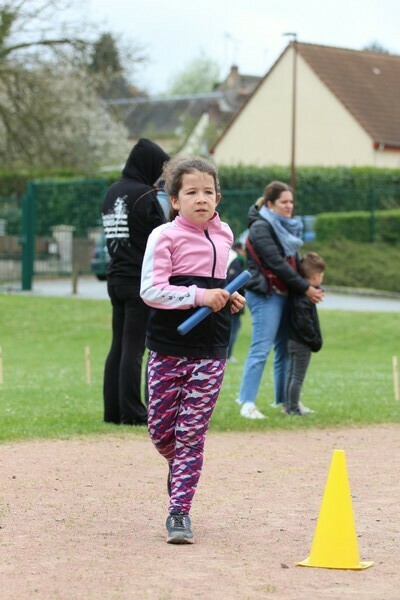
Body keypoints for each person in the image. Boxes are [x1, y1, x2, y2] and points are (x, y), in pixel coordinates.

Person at [140, 155, 245, 544]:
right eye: (191, 192)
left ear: (218, 197)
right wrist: (200, 296)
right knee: (161, 433)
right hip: (167, 347)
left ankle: (179, 511)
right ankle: (179, 464)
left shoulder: (225, 235)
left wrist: (228, 298)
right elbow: (151, 291)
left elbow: (218, 285)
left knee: (191, 434)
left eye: (208, 191)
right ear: (174, 200)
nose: (201, 198)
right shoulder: (163, 236)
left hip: (211, 350)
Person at [236, 181, 324, 419]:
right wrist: (306, 288)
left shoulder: (288, 226)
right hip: (265, 294)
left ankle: (286, 402)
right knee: (260, 349)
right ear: (270, 203)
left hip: (286, 294)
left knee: (284, 350)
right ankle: (246, 403)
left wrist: (312, 282)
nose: (289, 206)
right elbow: (275, 263)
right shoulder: (260, 227)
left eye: (291, 202)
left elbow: (295, 262)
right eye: (284, 202)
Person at [101, 138, 170, 426]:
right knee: (134, 347)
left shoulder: (112, 192)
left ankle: (113, 411)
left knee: (118, 344)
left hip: (115, 277)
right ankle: (132, 412)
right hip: (138, 280)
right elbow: (161, 235)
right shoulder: (145, 195)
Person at [284, 252, 325, 415]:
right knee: (297, 377)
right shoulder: (304, 297)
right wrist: (314, 340)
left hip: (292, 340)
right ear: (315, 277)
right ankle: (294, 408)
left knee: (291, 374)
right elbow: (305, 324)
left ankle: (289, 405)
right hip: (302, 343)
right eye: (322, 275)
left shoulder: (297, 292)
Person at [227, 241, 246, 363]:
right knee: (233, 328)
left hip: (228, 299)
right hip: (232, 301)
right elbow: (234, 281)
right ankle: (227, 354)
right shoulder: (236, 260)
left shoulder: (230, 257)